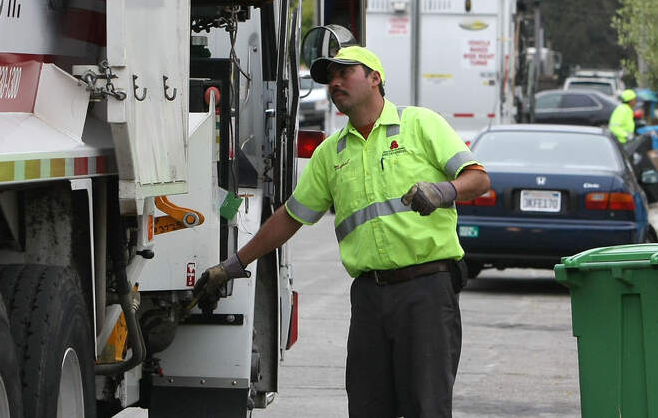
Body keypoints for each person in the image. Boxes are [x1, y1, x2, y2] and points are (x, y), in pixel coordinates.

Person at [194, 45, 491, 418]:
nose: (335, 83)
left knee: (425, 406)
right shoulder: (331, 153)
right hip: (369, 296)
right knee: (367, 407)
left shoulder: (420, 125)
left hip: (426, 292)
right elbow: (290, 217)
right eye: (329, 78)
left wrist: (444, 190)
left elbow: (478, 179)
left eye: (344, 73)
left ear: (374, 78)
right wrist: (234, 264)